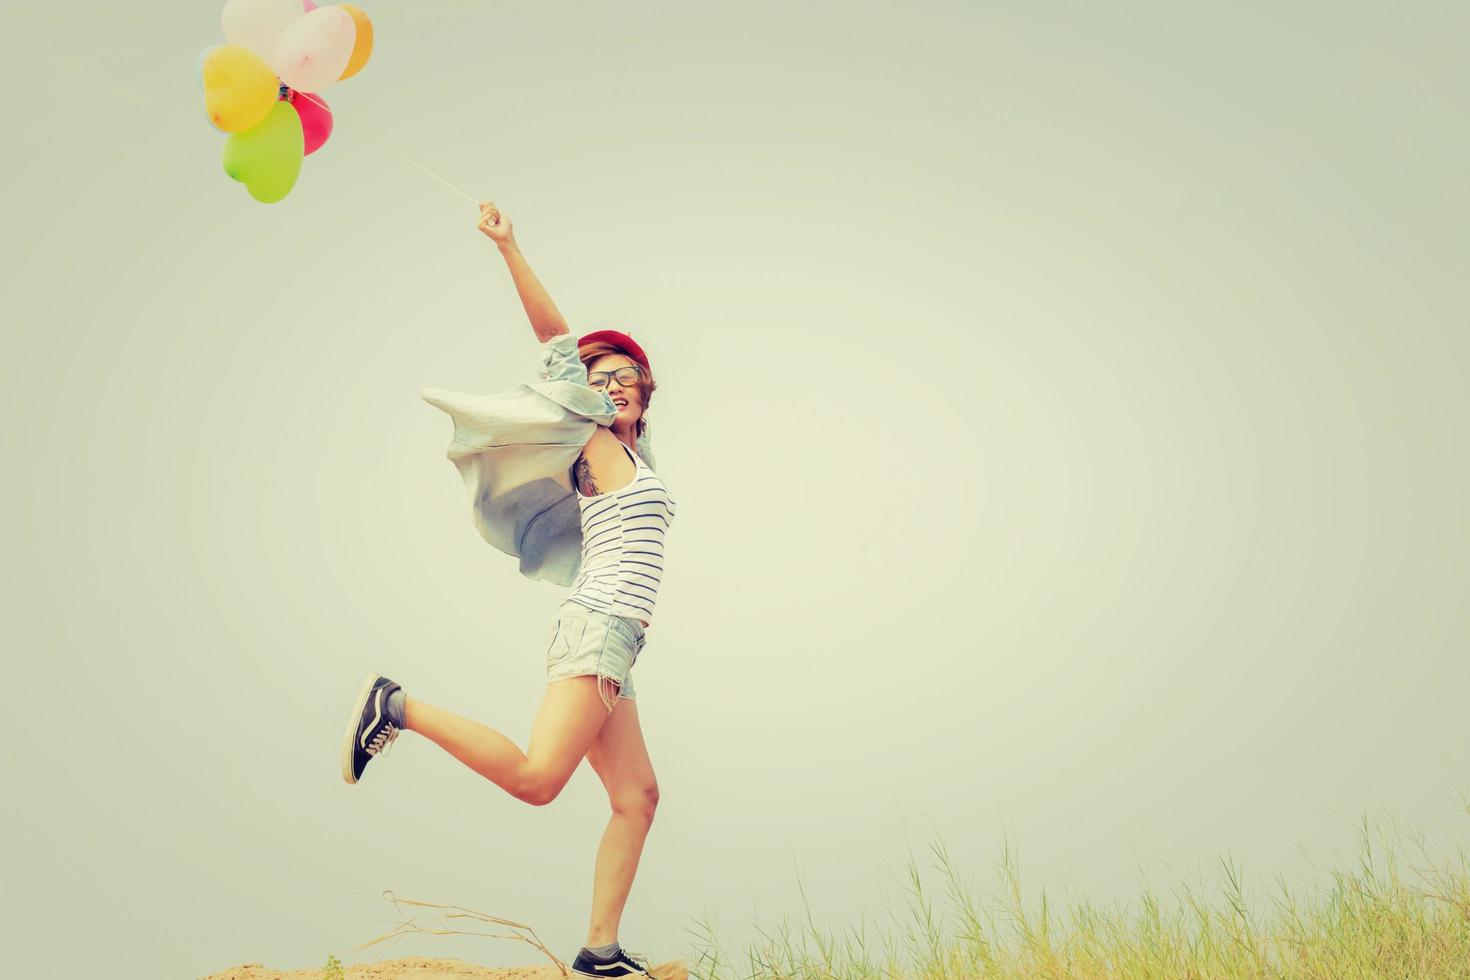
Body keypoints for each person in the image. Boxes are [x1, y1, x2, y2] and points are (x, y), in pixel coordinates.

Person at [338, 202, 678, 979]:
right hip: (597, 630)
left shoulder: (642, 453)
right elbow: (557, 343)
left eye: (626, 376)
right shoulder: (594, 440)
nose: (614, 385)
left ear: (646, 391)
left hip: (619, 647)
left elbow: (616, 396)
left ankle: (599, 954)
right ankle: (397, 706)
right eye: (603, 380)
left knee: (638, 798)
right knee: (537, 781)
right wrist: (510, 247)